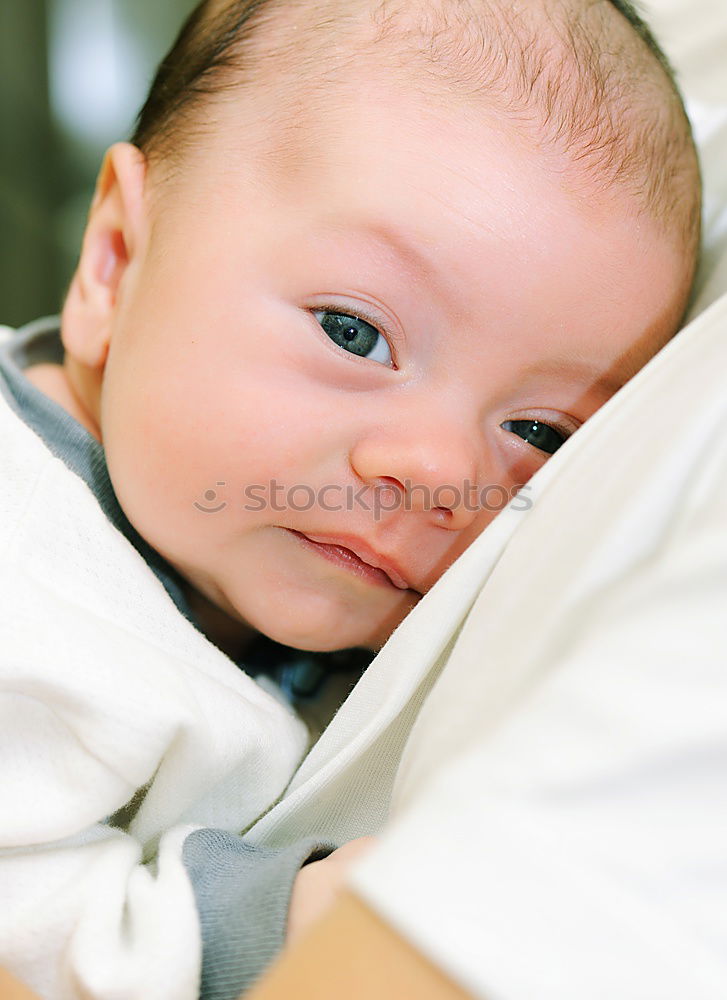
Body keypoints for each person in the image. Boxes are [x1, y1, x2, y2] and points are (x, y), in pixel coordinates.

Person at [0, 0, 701, 998]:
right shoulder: (28, 578)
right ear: (113, 262)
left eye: (539, 433)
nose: (433, 470)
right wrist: (285, 919)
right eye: (353, 332)